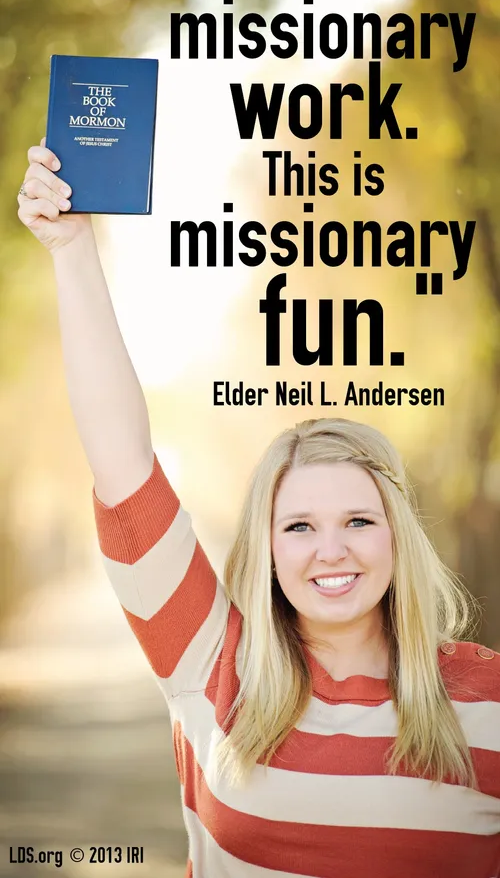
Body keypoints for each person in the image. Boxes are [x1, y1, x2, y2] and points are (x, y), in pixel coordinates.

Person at [18, 139, 500, 878]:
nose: (329, 550)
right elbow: (122, 463)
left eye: (358, 521)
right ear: (267, 546)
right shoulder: (209, 663)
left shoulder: (489, 702)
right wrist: (72, 247)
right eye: (299, 526)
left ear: (399, 535)